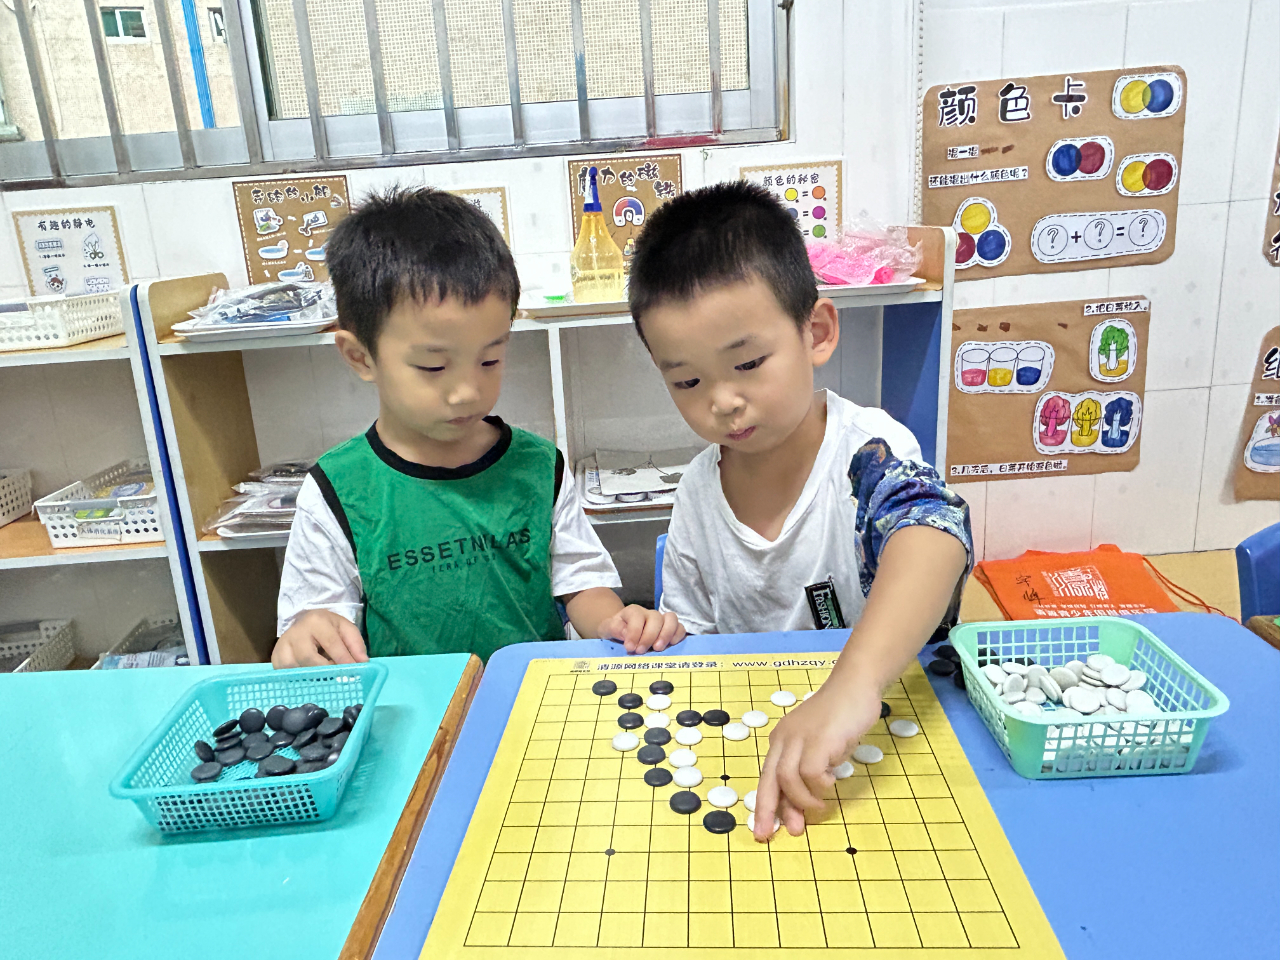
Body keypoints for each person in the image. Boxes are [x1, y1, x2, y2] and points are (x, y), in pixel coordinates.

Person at [627, 181, 972, 841]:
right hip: (759, 738)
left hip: (882, 715)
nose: (722, 401)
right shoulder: (698, 490)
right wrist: (661, 630)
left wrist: (852, 686)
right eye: (687, 381)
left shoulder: (868, 451)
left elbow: (934, 532)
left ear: (816, 332)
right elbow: (694, 641)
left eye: (748, 363)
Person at [272, 187, 684, 668]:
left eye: (490, 359)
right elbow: (315, 626)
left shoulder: (537, 466)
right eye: (433, 367)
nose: (467, 391)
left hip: (531, 698)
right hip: (415, 706)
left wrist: (616, 621)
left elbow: (581, 585)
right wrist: (304, 639)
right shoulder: (338, 488)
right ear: (360, 357)